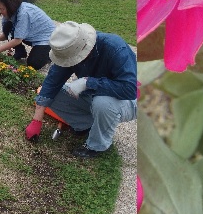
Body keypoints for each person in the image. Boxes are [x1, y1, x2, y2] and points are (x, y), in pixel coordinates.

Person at [25, 22, 138, 158]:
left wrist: (88, 82)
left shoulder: (115, 48)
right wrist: (36, 120)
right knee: (52, 95)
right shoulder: (68, 48)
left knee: (102, 103)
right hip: (92, 93)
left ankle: (97, 146)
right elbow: (51, 83)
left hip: (128, 100)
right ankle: (85, 125)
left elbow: (130, 89)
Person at [0, 0, 56, 70]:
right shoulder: (9, 13)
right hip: (31, 35)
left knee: (33, 64)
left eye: (1, 9)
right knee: (7, 26)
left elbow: (17, 40)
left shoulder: (24, 13)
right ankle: (20, 52)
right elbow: (7, 34)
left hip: (46, 39)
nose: (0, 12)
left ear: (9, 6)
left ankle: (51, 54)